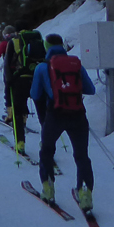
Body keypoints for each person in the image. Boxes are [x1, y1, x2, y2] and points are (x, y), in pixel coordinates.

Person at [30, 33, 97, 210]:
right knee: (82, 155)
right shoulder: (76, 65)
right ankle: (85, 195)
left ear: (46, 47)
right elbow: (90, 89)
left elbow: (35, 94)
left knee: (47, 151)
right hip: (78, 115)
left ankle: (48, 190)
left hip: (55, 115)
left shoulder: (42, 67)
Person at [0, 25, 34, 153]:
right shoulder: (22, 41)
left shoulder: (5, 44)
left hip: (11, 73)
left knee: (9, 94)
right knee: (22, 97)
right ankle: (23, 117)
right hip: (25, 73)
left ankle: (11, 116)